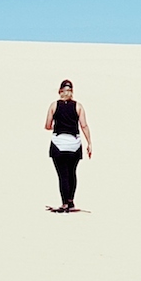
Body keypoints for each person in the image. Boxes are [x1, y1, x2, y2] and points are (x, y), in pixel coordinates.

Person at [42, 78, 92, 212]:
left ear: (60, 91)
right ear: (72, 92)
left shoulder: (54, 105)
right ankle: (70, 201)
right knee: (72, 173)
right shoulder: (78, 106)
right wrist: (89, 143)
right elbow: (84, 125)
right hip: (74, 144)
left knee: (63, 175)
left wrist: (56, 126)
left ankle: (64, 203)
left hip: (59, 144)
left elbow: (47, 125)